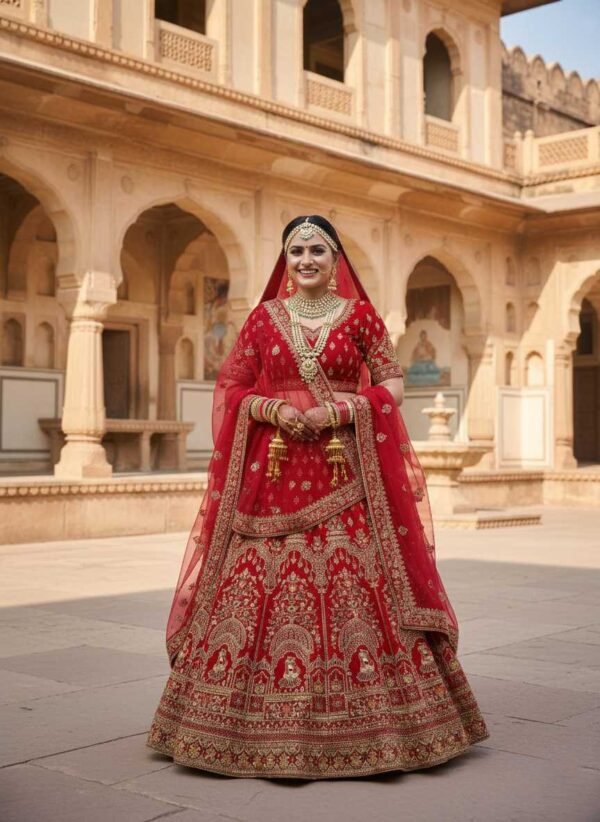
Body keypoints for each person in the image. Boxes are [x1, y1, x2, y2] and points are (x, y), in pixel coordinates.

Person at [147, 215, 489, 779]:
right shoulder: (263, 320)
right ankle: (230, 727)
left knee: (358, 580)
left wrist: (345, 408)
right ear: (287, 259)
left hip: (343, 471)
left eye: (317, 251)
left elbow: (391, 384)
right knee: (255, 581)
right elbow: (232, 385)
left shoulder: (359, 317)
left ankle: (381, 727)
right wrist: (269, 407)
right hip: (272, 471)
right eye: (297, 250)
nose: (306, 260)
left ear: (335, 260)